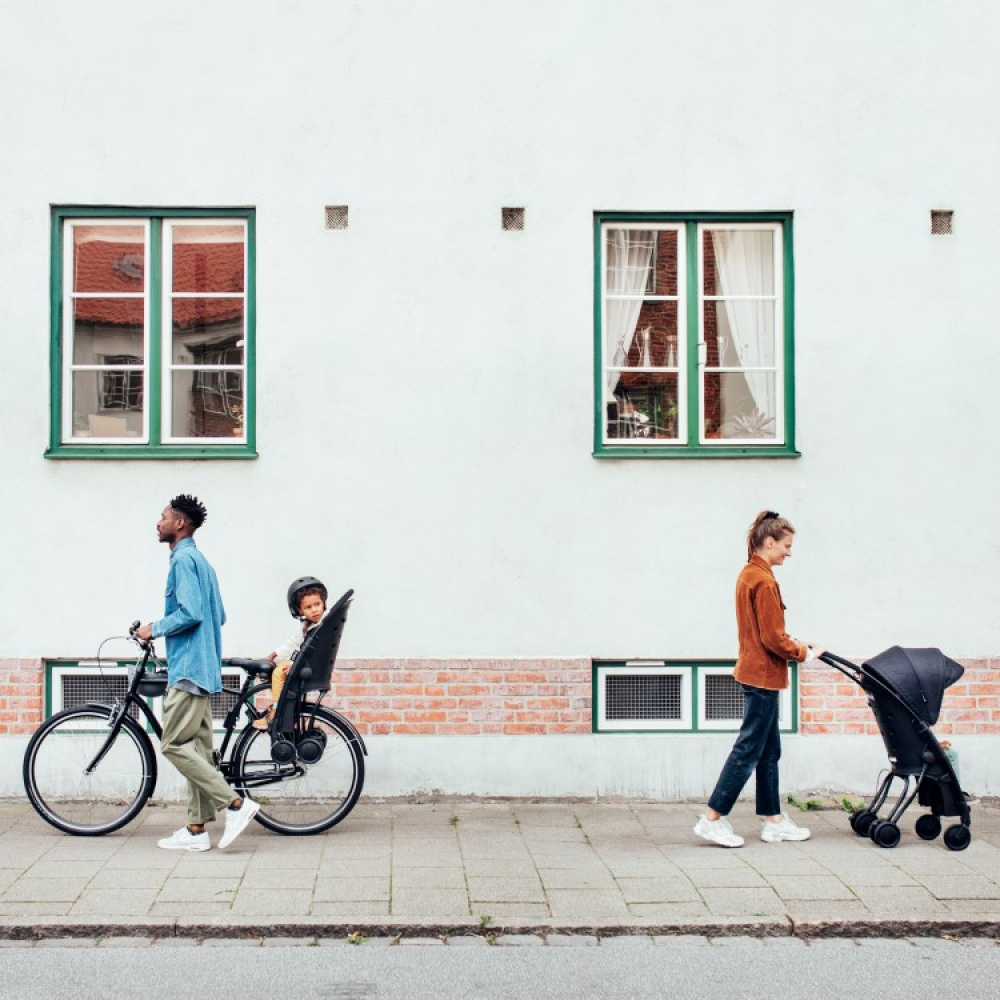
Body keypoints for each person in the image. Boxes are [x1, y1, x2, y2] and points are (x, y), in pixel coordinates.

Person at [694, 511, 826, 848]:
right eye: (786, 545)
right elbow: (772, 638)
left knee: (768, 751)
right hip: (763, 676)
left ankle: (773, 820)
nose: (789, 552)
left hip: (755, 672)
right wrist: (802, 653)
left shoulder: (749, 574)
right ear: (769, 542)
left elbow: (766, 630)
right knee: (749, 748)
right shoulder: (764, 581)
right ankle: (713, 818)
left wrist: (795, 642)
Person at [137, 494, 259, 852]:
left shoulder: (183, 561)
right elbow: (217, 616)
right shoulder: (203, 562)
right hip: (206, 667)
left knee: (173, 745)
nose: (157, 523)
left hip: (188, 669)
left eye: (162, 517)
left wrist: (154, 628)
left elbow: (190, 613)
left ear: (180, 524)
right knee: (198, 753)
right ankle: (195, 831)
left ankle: (235, 804)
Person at [252, 576, 328, 730]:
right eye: (308, 607)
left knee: (278, 673)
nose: (314, 609)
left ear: (323, 603)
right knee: (275, 665)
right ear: (299, 610)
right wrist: (274, 654)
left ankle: (276, 712)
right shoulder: (307, 625)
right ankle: (281, 706)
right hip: (302, 663)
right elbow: (293, 643)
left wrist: (294, 664)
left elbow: (311, 652)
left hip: (306, 665)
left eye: (317, 604)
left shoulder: (320, 627)